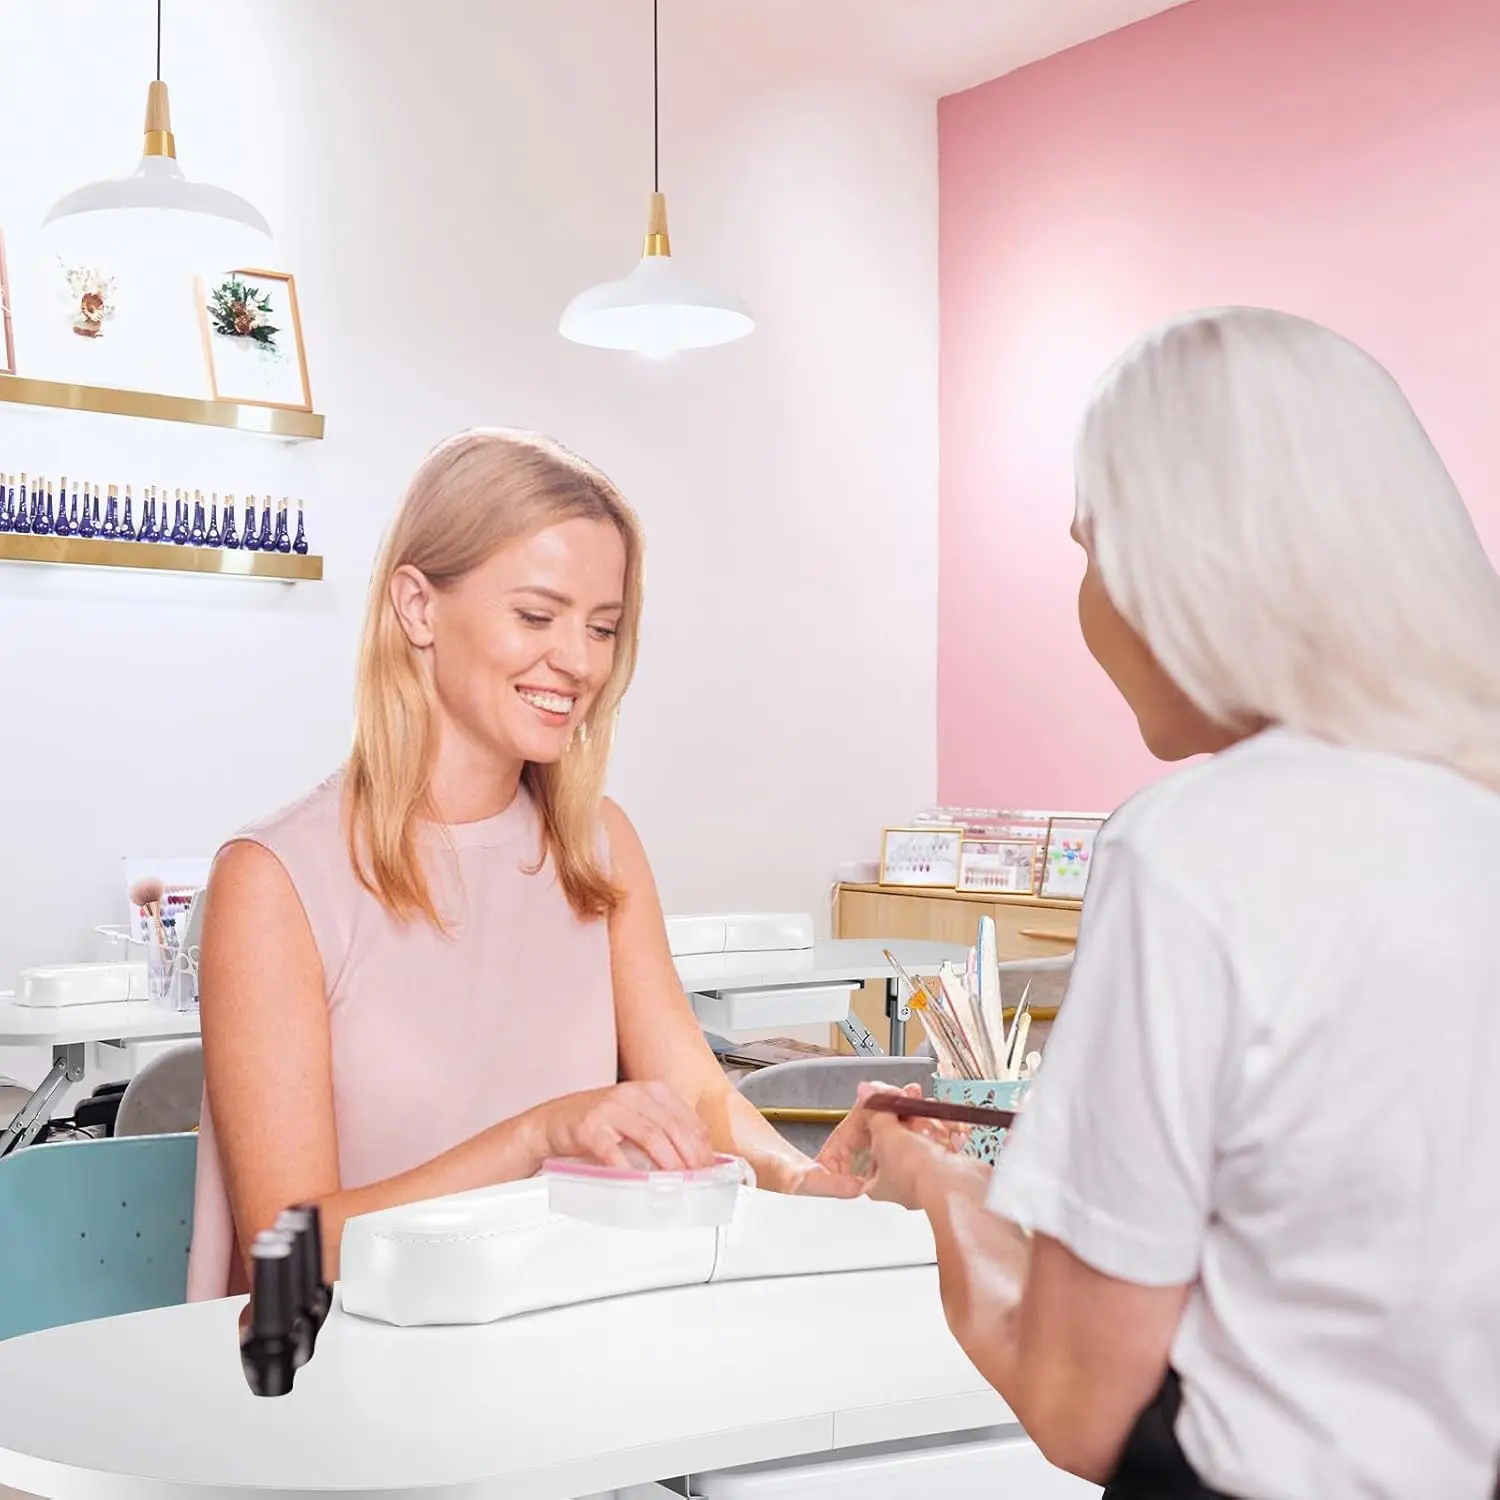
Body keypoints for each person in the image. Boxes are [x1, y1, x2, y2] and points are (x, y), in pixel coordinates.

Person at [862, 307, 1500, 1499]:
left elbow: (1074, 1401)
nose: (1090, 600)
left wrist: (936, 1192)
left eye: (1090, 548)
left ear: (1182, 567)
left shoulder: (1196, 849)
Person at [188, 428, 904, 1299]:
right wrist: (539, 1139)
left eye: (602, 628)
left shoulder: (599, 849)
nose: (578, 662)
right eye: (536, 616)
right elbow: (285, 1248)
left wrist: (795, 1182)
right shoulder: (274, 881)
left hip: (562, 1348)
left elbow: (699, 1095)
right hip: (340, 1379)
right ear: (417, 607)